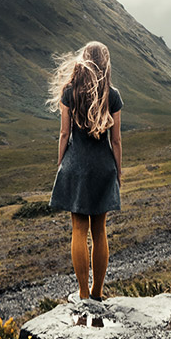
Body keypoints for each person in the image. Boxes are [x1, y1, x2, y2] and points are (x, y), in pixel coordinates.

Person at [47, 41, 123, 302]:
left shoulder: (69, 92)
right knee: (99, 231)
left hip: (76, 168)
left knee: (78, 230)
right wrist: (118, 171)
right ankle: (98, 292)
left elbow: (64, 133)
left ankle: (82, 294)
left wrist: (61, 165)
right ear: (106, 63)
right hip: (103, 168)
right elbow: (117, 140)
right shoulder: (112, 95)